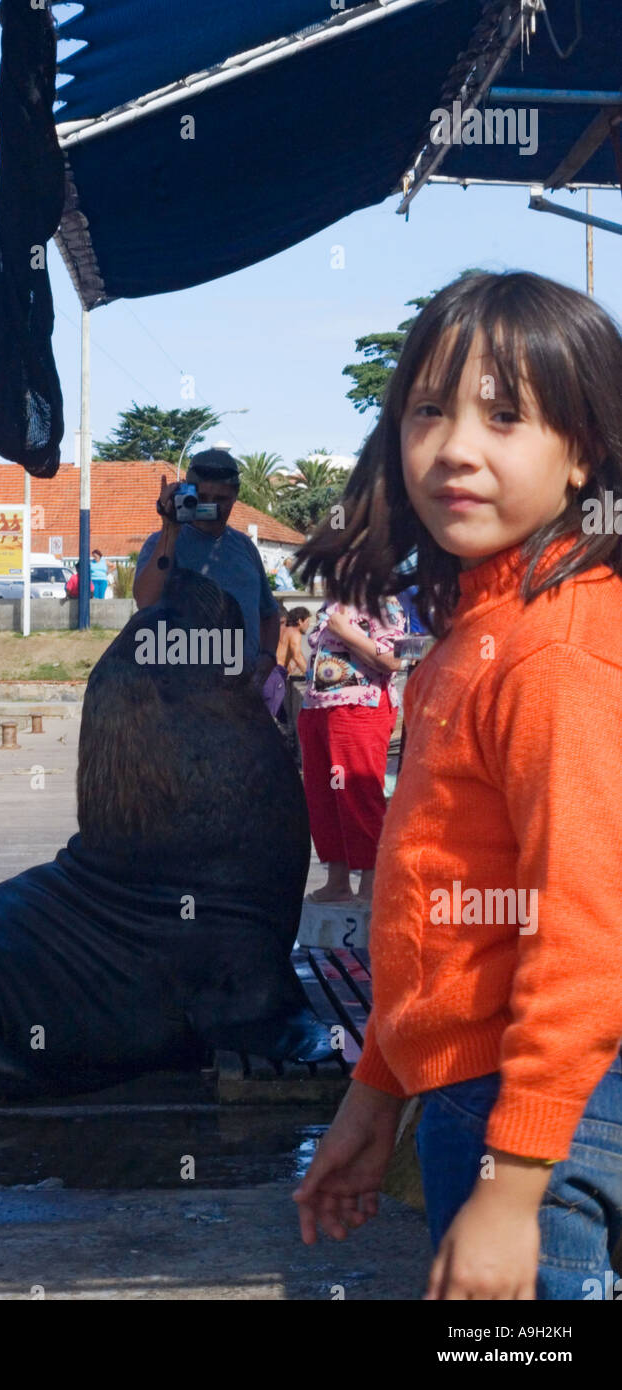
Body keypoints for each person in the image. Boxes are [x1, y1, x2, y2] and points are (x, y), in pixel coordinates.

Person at [292, 269, 622, 1301]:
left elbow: (582, 934)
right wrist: (373, 1098)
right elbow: (445, 922)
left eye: (504, 415)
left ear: (580, 456)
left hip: (544, 1115)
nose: (453, 448)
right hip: (483, 1100)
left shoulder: (553, 653)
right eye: (426, 409)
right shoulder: (474, 634)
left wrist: (514, 1187)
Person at [133, 448, 280, 681]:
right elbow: (145, 601)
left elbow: (269, 613)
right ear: (187, 492)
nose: (211, 506)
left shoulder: (245, 547)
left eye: (221, 499)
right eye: (201, 498)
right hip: (180, 689)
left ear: (235, 497)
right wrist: (170, 528)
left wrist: (268, 657)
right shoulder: (162, 543)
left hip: (240, 690)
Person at [298, 595, 405, 903]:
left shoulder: (382, 599)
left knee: (359, 795)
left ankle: (372, 883)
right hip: (317, 708)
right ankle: (338, 881)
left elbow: (393, 660)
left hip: (360, 707)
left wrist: (346, 632)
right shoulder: (332, 602)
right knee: (322, 800)